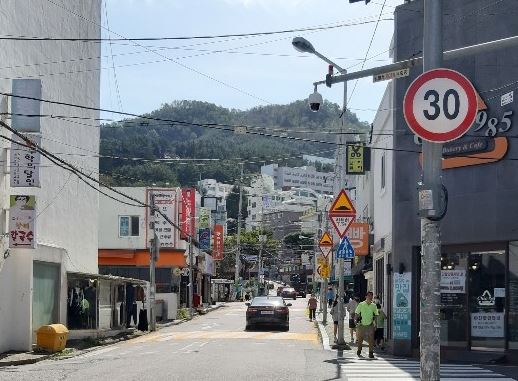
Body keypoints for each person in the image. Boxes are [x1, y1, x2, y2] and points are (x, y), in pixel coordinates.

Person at [355, 291, 379, 359]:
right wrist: (355, 320)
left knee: (371, 339)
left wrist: (375, 324)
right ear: (366, 297)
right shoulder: (361, 304)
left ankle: (370, 353)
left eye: (371, 296)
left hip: (370, 324)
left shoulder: (374, 305)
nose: (370, 297)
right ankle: (359, 350)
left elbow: (376, 315)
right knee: (360, 339)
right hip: (362, 324)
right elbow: (357, 313)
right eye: (369, 296)